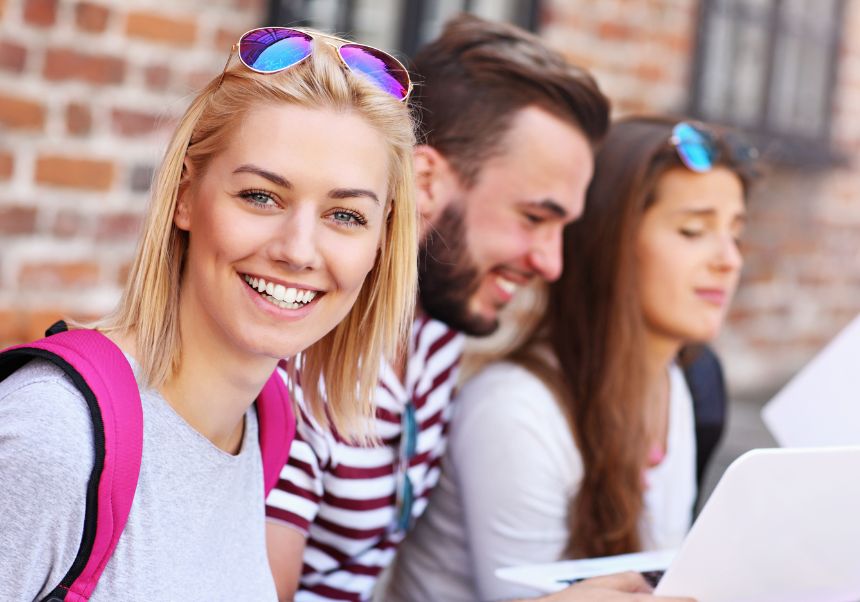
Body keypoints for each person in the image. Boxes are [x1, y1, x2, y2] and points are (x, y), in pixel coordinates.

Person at [0, 26, 417, 600]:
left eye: (345, 215)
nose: (298, 250)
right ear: (185, 197)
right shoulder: (56, 434)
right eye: (260, 197)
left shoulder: (266, 423)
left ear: (380, 243)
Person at [263, 12, 612, 602]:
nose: (551, 263)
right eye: (533, 217)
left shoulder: (436, 327)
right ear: (425, 182)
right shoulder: (297, 354)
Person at [386, 116, 755, 601]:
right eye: (692, 231)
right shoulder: (516, 412)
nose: (729, 260)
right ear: (609, 247)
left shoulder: (674, 384)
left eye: (735, 233)